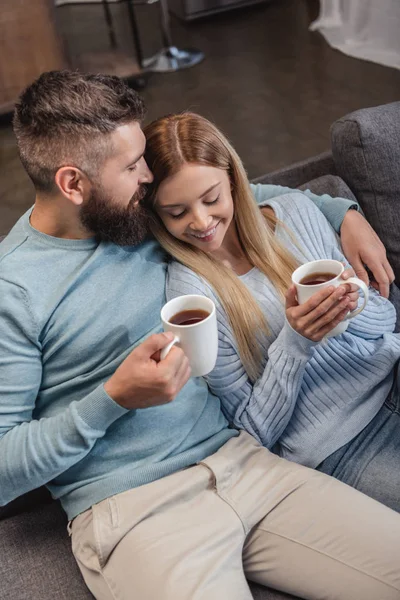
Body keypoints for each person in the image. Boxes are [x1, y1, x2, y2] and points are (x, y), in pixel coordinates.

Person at [1, 72, 400, 600]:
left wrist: (342, 213)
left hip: (247, 464)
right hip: (138, 506)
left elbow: (232, 192)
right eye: (131, 166)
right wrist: (112, 399)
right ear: (73, 184)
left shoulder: (139, 215)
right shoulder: (16, 292)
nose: (148, 175)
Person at [142, 111, 400, 513]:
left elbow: (386, 321)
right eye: (177, 213)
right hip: (342, 441)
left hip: (391, 374)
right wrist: (297, 343)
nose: (202, 221)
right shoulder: (191, 298)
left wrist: (347, 309)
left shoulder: (296, 211)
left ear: (232, 180)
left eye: (211, 199)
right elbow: (252, 431)